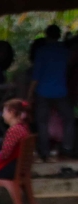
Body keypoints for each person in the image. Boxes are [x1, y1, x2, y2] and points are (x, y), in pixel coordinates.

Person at [32, 25, 75, 160]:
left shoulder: (42, 51)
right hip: (61, 91)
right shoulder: (64, 51)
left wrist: (29, 94)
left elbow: (35, 76)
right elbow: (69, 67)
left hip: (43, 91)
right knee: (69, 119)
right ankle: (67, 147)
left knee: (42, 122)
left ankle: (44, 152)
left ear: (46, 35)